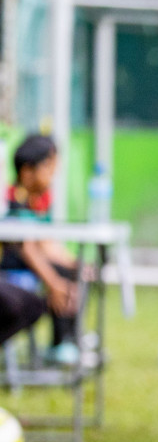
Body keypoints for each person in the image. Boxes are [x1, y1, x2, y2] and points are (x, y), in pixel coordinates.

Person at [0, 135, 81, 365]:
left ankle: (67, 340)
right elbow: (27, 247)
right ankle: (61, 342)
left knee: (74, 271)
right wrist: (53, 281)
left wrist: (74, 263)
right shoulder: (11, 200)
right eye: (48, 167)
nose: (53, 173)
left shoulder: (40, 200)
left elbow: (46, 243)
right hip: (12, 264)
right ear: (27, 171)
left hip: (32, 262)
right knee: (58, 277)